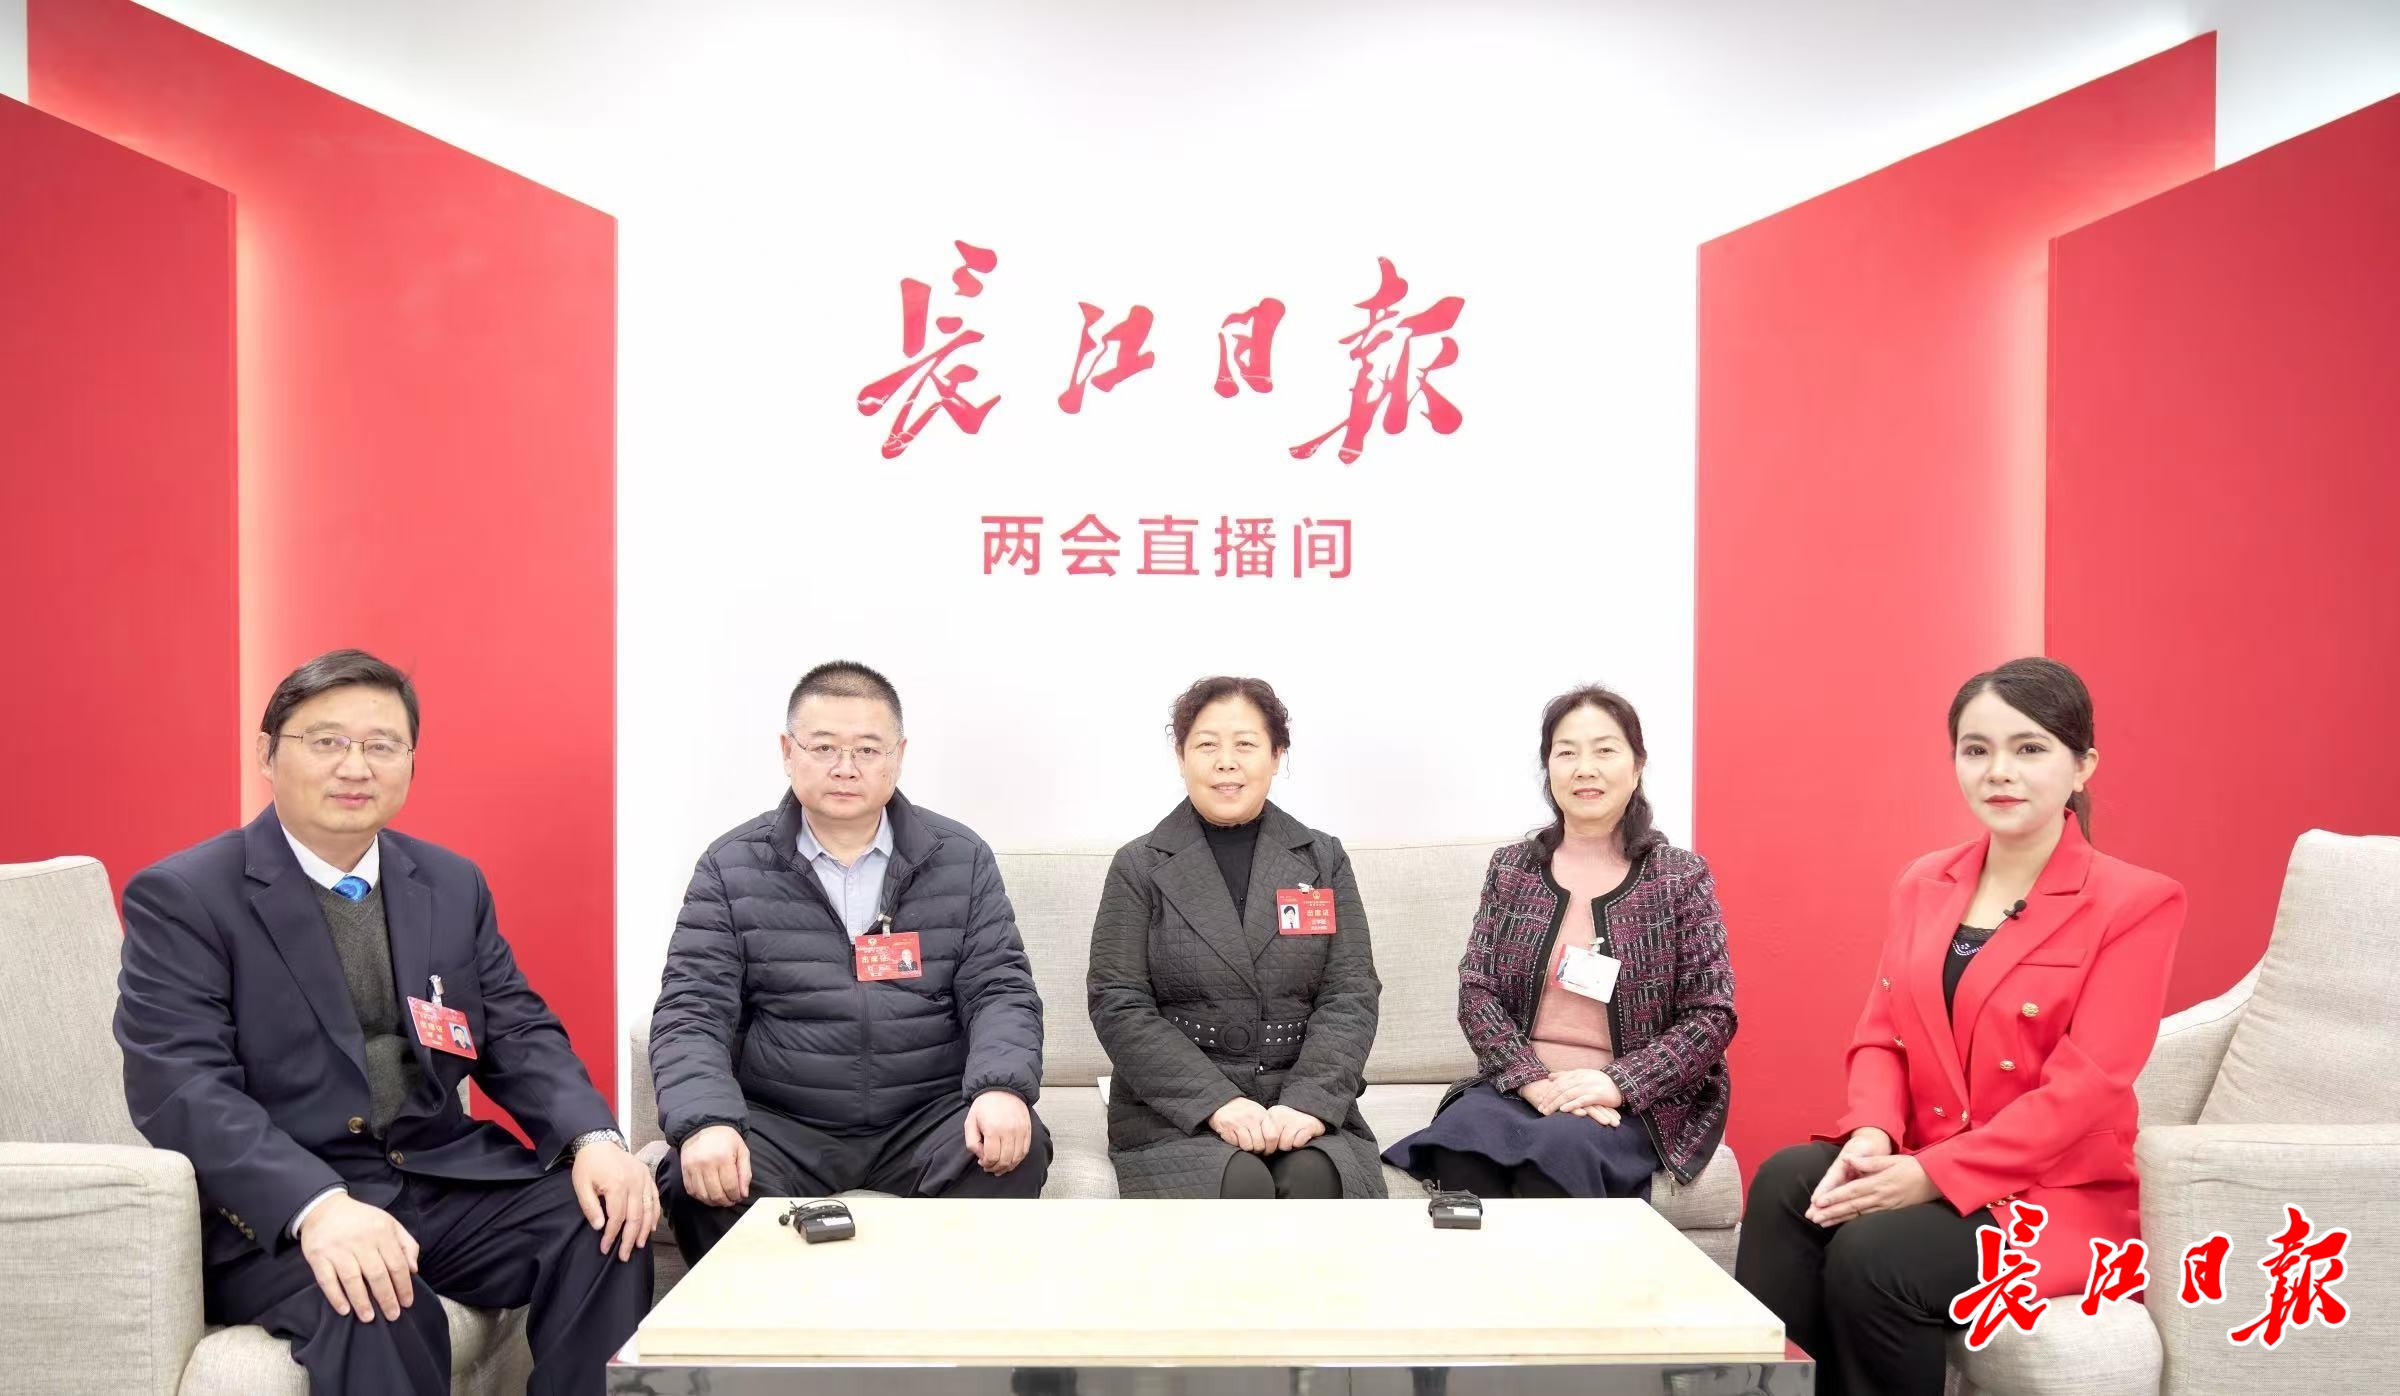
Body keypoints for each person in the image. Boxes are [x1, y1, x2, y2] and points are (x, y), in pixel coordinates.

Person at [115, 650, 654, 1396]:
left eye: (381, 745)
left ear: (410, 762)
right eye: (326, 741)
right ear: (267, 754)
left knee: (607, 1223)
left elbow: (519, 1032)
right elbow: (180, 1087)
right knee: (377, 1300)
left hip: (437, 1174)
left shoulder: (449, 882)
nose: (355, 767)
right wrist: (317, 1206)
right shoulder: (186, 895)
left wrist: (593, 1139)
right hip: (283, 1211)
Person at [1734, 657, 2187, 1396]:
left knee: (1876, 1253)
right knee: (1788, 1182)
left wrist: (1932, 1175)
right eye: (1977, 750)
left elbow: (2088, 1089)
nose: (1998, 771)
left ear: (2082, 766)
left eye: (2029, 748)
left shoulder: (2136, 902)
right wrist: (1873, 1135)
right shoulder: (1925, 881)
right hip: (1922, 1154)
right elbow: (1881, 1033)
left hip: (2053, 1198)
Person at [651, 661, 1048, 1261]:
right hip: (782, 1121)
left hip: (925, 1117)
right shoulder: (730, 867)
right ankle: (777, 1322)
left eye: (867, 749)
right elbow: (692, 1010)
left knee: (1016, 1149)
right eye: (824, 747)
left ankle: (942, 1314)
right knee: (697, 1179)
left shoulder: (960, 858)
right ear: (788, 752)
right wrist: (705, 1121)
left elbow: (1000, 990)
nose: (845, 768)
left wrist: (1000, 1088)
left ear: (898, 756)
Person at [1384, 685, 1735, 1199]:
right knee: (1461, 1150)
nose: (1584, 769)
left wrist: (1617, 1083)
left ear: (1637, 767)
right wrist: (1531, 1080)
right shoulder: (1514, 868)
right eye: (1566, 752)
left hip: (1633, 1098)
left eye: (1604, 750)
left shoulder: (1678, 877)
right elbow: (1476, 991)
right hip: (1523, 1085)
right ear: (1548, 768)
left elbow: (1712, 1014)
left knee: (1555, 1159)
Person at [1087, 676, 1385, 1200]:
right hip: (1178, 1108)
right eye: (1207, 745)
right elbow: (1117, 1001)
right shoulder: (1138, 865)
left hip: (1297, 1094)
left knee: (1315, 1179)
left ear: (1276, 755)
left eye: (1245, 744)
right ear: (1181, 757)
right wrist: (1216, 1103)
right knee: (1236, 1185)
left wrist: (1310, 1101)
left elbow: (1350, 992)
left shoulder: (1323, 859)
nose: (1226, 762)